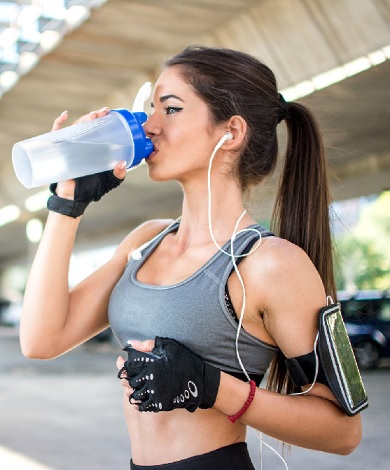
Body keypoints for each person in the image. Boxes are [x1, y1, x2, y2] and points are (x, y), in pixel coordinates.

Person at [20, 45, 363, 469]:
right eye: (150, 108)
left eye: (171, 108)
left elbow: (344, 431)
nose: (149, 124)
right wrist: (67, 206)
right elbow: (41, 339)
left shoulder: (270, 263)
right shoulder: (145, 241)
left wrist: (212, 385)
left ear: (230, 133)